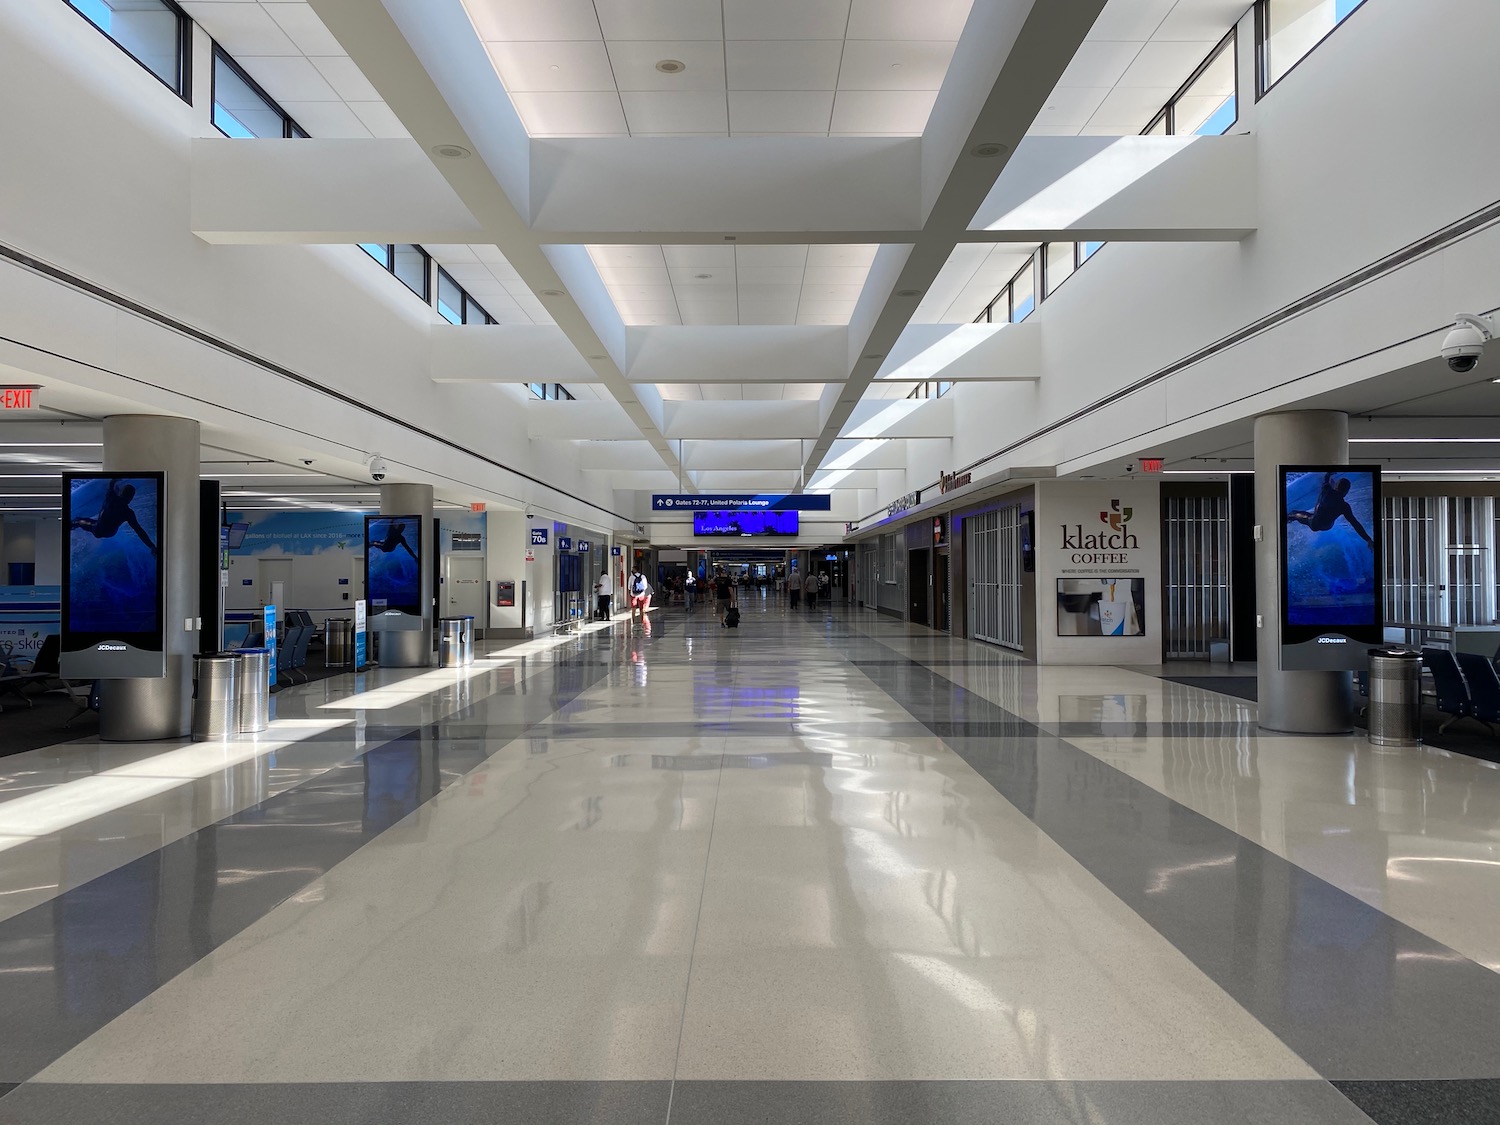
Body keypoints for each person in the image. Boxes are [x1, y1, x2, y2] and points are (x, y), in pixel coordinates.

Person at [71, 477, 157, 556]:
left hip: (97, 529)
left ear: (120, 493)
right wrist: (151, 546)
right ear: (130, 499)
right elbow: (139, 531)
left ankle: (70, 526)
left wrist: (114, 480)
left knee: (78, 521)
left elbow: (111, 486)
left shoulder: (111, 499)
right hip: (110, 533)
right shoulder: (128, 513)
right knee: (101, 521)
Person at [1285, 471, 1374, 547]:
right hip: (1327, 526)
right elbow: (1355, 524)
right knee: (1323, 513)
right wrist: (1368, 539)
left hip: (1314, 522)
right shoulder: (1344, 506)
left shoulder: (1326, 491)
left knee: (1293, 514)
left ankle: (1286, 520)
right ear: (1346, 492)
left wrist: (1329, 474)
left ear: (1335, 486)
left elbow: (1326, 478)